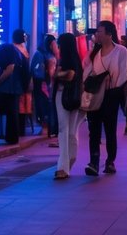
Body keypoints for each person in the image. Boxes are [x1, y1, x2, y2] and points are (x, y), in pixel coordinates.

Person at [83, 20, 127, 176]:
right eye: (96, 32)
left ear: (109, 34)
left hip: (111, 94)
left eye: (100, 31)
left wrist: (115, 86)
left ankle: (110, 161)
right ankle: (94, 161)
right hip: (95, 93)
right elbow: (86, 70)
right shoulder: (94, 51)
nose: (97, 34)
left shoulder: (121, 51)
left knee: (110, 129)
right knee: (93, 129)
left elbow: (123, 74)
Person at [0, 29, 30, 145]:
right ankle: (13, 136)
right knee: (13, 111)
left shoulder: (11, 50)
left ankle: (11, 137)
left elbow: (10, 68)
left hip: (9, 86)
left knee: (10, 112)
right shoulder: (24, 52)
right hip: (18, 85)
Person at [52, 33, 82, 179]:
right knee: (71, 131)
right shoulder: (77, 58)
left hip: (63, 95)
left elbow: (69, 75)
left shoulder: (66, 59)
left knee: (63, 130)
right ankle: (70, 160)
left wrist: (57, 74)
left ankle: (63, 167)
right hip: (75, 97)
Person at [31, 37, 55, 140]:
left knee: (46, 105)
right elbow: (37, 71)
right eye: (54, 44)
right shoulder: (41, 55)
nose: (56, 46)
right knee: (43, 105)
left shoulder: (47, 54)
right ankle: (44, 126)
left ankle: (47, 127)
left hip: (46, 84)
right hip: (42, 84)